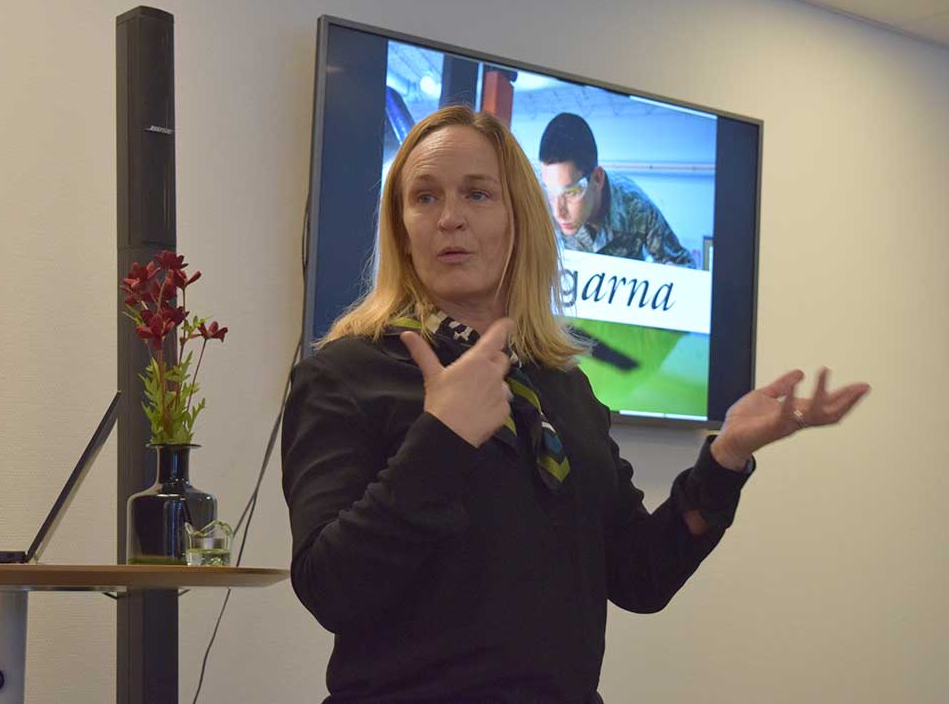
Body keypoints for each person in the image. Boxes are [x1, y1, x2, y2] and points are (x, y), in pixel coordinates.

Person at [280, 106, 869, 703]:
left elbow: (640, 576)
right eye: (424, 197)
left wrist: (726, 456)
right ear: (401, 228)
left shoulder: (563, 387)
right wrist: (442, 438)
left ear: (520, 219)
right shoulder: (344, 375)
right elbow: (332, 589)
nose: (449, 217)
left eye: (477, 194)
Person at [539, 112, 695, 266]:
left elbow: (684, 265)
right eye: (550, 192)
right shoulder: (545, 205)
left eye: (570, 192)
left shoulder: (637, 207)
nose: (558, 212)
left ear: (597, 178)